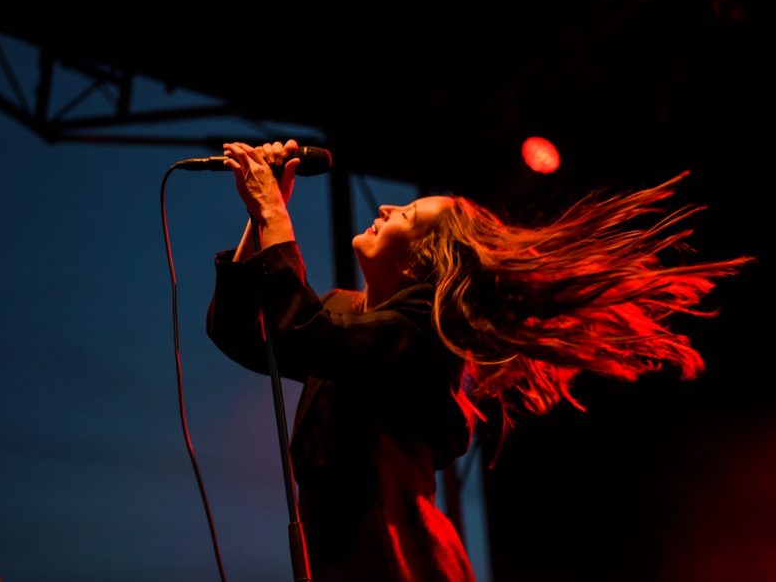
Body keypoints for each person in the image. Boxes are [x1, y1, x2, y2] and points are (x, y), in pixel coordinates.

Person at [206, 139, 751, 582]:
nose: (387, 207)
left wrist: (274, 214)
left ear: (423, 261)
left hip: (403, 564)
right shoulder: (342, 314)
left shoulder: (422, 331)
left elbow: (307, 335)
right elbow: (242, 334)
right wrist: (261, 217)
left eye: (408, 213)